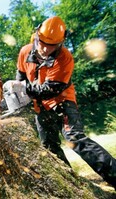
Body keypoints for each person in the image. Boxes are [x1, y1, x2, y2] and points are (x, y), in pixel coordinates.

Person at [13, 16, 116, 189]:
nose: (45, 48)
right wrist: (17, 92)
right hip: (41, 108)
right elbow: (21, 76)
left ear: (60, 43)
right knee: (50, 148)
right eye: (42, 42)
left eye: (51, 45)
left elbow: (50, 89)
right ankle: (71, 187)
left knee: (75, 139)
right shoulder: (25, 52)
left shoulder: (65, 58)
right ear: (37, 36)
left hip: (63, 103)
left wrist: (25, 89)